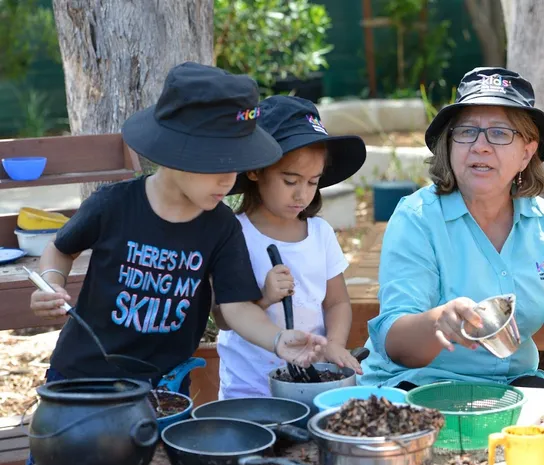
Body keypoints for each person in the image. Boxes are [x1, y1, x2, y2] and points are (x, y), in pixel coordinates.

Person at [29, 63, 329, 395]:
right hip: (82, 377)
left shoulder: (222, 227)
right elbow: (60, 249)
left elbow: (235, 306)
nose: (229, 179)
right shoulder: (113, 204)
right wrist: (51, 283)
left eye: (237, 164)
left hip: (165, 387)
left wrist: (277, 339)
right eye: (218, 164)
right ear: (174, 151)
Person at [357, 67, 544, 393]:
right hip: (415, 386)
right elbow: (396, 344)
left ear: (527, 152)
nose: (480, 146)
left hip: (512, 390)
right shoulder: (418, 218)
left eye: (500, 133)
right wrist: (440, 320)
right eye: (466, 132)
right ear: (449, 144)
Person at [212, 96, 366, 398]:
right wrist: (264, 298)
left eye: (312, 182)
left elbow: (337, 302)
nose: (302, 195)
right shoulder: (234, 233)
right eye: (290, 180)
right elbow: (221, 317)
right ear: (256, 171)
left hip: (311, 382)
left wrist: (333, 343)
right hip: (248, 390)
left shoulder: (320, 233)